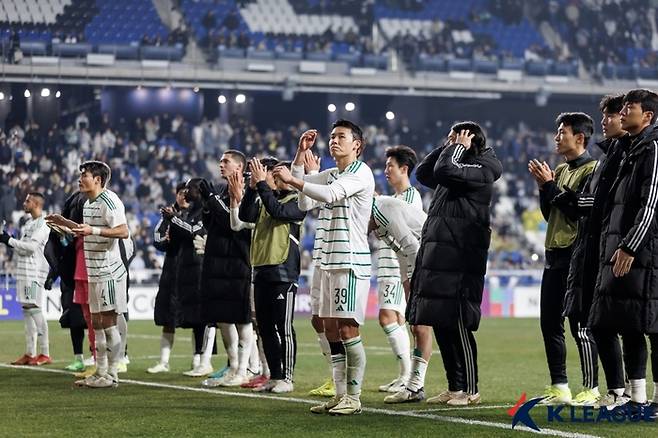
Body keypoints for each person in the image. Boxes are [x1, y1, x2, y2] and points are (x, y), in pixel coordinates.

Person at [274, 119, 375, 415]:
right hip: (327, 260)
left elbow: (330, 195)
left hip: (350, 260)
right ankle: (339, 393)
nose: (334, 141)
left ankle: (354, 398)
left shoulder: (360, 173)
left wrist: (296, 180)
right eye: (331, 137)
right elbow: (304, 204)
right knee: (328, 326)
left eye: (341, 136)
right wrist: (298, 161)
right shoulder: (332, 174)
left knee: (347, 329)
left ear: (356, 145)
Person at [407, 121, 502, 406]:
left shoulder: (485, 167)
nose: (450, 143)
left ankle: (470, 389)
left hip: (462, 255)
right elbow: (424, 173)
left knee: (459, 323)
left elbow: (445, 170)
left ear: (470, 140)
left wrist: (456, 148)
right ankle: (455, 387)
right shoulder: (455, 163)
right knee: (441, 320)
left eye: (456, 138)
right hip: (441, 254)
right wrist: (449, 146)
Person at [588, 89, 658, 411]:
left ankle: (647, 398)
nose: (624, 111)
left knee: (648, 325)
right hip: (621, 248)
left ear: (648, 116)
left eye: (631, 107)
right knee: (627, 322)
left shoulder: (653, 147)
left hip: (642, 252)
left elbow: (651, 202)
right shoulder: (630, 149)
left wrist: (630, 245)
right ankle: (637, 397)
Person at [562, 95, 629, 408]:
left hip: (614, 249)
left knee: (615, 324)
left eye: (612, 115)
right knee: (598, 322)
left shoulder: (632, 155)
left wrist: (556, 192)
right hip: (591, 247)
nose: (605, 121)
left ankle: (625, 391)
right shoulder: (610, 156)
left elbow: (592, 203)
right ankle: (620, 390)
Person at [528, 112, 599, 406]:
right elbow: (550, 214)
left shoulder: (593, 170)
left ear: (579, 138)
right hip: (553, 253)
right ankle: (560, 385)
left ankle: (592, 387)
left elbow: (577, 210)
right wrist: (545, 186)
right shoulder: (559, 169)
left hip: (577, 254)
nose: (556, 138)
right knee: (550, 323)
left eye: (562, 133)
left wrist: (550, 186)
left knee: (579, 324)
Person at [47, 160, 130, 388]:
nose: (80, 178)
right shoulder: (88, 204)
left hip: (108, 273)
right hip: (93, 272)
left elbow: (123, 231)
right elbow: (83, 233)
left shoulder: (110, 201)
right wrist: (63, 223)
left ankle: (112, 374)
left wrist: (93, 230)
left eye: (84, 175)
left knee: (108, 323)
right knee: (96, 324)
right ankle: (100, 371)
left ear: (98, 180)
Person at [238, 157, 307, 393]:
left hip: (283, 272)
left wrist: (262, 187)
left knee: (284, 327)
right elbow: (245, 216)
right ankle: (274, 376)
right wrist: (251, 189)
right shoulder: (262, 198)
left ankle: (287, 378)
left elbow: (278, 212)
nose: (262, 177)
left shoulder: (297, 201)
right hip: (261, 270)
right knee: (265, 328)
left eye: (265, 173)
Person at [195, 150, 254, 385]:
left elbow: (236, 225)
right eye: (220, 160)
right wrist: (208, 204)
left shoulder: (248, 192)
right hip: (216, 261)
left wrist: (211, 200)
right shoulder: (220, 193)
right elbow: (210, 222)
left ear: (239, 167)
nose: (221, 165)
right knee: (222, 318)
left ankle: (244, 369)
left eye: (226, 161)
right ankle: (233, 366)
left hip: (238, 261)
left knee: (242, 318)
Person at [365, 195, 427, 403]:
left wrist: (413, 279)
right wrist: (405, 280)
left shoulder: (384, 209)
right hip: (418, 260)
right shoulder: (376, 216)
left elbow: (412, 246)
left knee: (421, 325)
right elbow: (401, 250)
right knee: (417, 325)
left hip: (433, 256)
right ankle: (414, 385)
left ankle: (416, 386)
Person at [376, 146, 423, 394]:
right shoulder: (393, 199)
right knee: (396, 319)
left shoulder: (410, 198)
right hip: (388, 264)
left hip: (398, 267)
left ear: (404, 169)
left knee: (388, 318)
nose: (386, 171)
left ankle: (407, 375)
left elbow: (410, 237)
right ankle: (404, 375)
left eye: (390, 166)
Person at [1, 192, 52, 366]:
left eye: (28, 200)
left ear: (37, 204)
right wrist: (8, 240)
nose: (24, 203)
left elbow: (30, 248)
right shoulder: (29, 223)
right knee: (27, 311)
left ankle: (45, 353)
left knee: (34, 308)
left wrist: (9, 241)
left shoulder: (43, 224)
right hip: (23, 272)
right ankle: (30, 353)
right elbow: (22, 249)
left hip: (34, 273)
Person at [43, 191, 89, 372]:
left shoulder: (85, 228)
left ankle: (96, 357)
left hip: (86, 276)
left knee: (92, 319)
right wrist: (52, 275)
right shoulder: (60, 230)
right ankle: (79, 358)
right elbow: (58, 255)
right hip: (70, 279)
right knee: (74, 319)